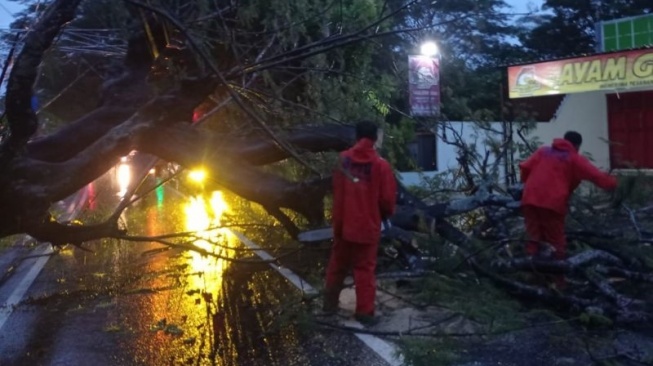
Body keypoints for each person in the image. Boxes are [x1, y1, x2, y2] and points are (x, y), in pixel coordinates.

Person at [323, 120, 397, 325]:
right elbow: (387, 200)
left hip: (343, 223)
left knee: (337, 265)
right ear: (374, 139)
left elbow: (336, 191)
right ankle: (364, 313)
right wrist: (385, 215)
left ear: (356, 137)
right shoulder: (381, 165)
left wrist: (337, 222)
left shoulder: (343, 160)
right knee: (364, 270)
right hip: (367, 226)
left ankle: (328, 307)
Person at [519, 131, 617, 262]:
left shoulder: (543, 151)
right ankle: (558, 277)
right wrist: (616, 183)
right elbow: (598, 177)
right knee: (556, 241)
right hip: (552, 204)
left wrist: (528, 186)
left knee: (533, 238)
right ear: (577, 146)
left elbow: (525, 168)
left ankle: (530, 270)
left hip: (530, 198)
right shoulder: (575, 159)